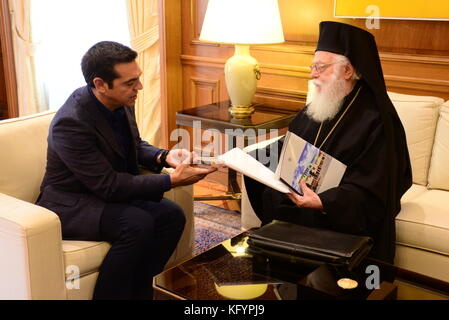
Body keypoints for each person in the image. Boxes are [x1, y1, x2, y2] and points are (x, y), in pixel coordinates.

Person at [36, 41, 216, 299]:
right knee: (136, 223)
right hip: (71, 202)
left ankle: (141, 291)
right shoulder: (71, 123)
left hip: (102, 193)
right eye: (130, 83)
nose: (139, 88)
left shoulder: (121, 100)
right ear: (100, 84)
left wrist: (165, 156)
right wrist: (171, 181)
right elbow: (109, 185)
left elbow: (134, 146)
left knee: (171, 215)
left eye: (138, 79)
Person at [245, 21, 412, 264]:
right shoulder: (320, 106)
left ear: (347, 70)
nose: (313, 73)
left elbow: (374, 191)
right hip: (298, 203)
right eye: (313, 66)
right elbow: (288, 146)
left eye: (321, 67)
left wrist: (324, 202)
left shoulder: (377, 121)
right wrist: (247, 159)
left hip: (338, 220)